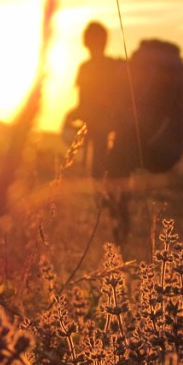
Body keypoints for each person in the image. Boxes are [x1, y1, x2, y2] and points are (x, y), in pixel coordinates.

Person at [65, 21, 136, 240]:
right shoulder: (117, 66)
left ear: (87, 42)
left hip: (101, 135)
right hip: (119, 135)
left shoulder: (86, 68)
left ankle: (119, 229)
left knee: (101, 183)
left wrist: (71, 117)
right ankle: (120, 229)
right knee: (116, 183)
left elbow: (83, 105)